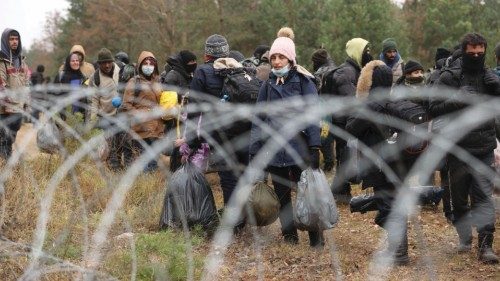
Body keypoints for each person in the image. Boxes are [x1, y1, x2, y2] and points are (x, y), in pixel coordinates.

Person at [249, 29, 324, 248]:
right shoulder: (268, 85)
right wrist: (255, 149)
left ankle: (315, 238)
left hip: (299, 148)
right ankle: (290, 237)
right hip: (274, 151)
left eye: (281, 57)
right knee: (282, 196)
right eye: (273, 57)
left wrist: (315, 146)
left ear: (290, 58)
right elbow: (258, 119)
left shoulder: (304, 82)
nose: (277, 61)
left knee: (307, 195)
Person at [430, 33, 499, 264]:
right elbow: (433, 108)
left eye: (481, 52)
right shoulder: (450, 77)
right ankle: (464, 236)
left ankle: (485, 246)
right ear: (464, 50)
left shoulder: (489, 76)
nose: (477, 56)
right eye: (473, 52)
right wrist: (456, 99)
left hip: (484, 147)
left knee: (484, 198)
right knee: (459, 200)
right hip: (457, 148)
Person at [346, 60, 409, 265]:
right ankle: (396, 249)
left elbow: (351, 128)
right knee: (392, 203)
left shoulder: (372, 105)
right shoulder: (395, 101)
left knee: (387, 206)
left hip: (380, 163)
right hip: (399, 161)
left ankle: (399, 253)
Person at [190, 34, 250, 233]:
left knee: (229, 177)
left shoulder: (203, 73)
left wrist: (193, 140)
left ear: (207, 53)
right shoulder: (241, 69)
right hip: (245, 131)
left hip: (219, 134)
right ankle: (245, 216)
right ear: (226, 51)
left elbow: (194, 109)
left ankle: (233, 222)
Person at [329, 37, 373, 203]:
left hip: (347, 121)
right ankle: (339, 192)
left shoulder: (354, 69)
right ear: (357, 51)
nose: (368, 54)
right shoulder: (346, 72)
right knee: (345, 156)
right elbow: (351, 98)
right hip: (343, 122)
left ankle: (341, 191)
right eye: (365, 51)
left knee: (345, 156)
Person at [122, 51, 165, 172]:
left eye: (151, 64)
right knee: (144, 161)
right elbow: (126, 104)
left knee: (153, 161)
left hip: (156, 128)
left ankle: (149, 186)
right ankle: (143, 186)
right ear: (140, 65)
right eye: (145, 63)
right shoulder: (134, 82)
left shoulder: (157, 82)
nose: (148, 66)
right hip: (141, 129)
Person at [160, 50, 197, 172]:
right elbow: (167, 107)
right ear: (183, 63)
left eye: (195, 61)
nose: (193, 64)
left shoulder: (190, 75)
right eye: (191, 62)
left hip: (189, 121)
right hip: (175, 124)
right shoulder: (172, 76)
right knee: (177, 154)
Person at [88, 48, 123, 171]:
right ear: (99, 64)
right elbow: (93, 101)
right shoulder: (95, 78)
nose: (107, 65)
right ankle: (114, 168)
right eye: (104, 63)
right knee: (110, 144)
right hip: (106, 116)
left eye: (109, 62)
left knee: (122, 141)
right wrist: (92, 121)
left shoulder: (120, 71)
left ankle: (122, 164)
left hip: (122, 114)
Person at [0, 28, 30, 159]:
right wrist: (9, 105)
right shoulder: (2, 61)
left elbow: (27, 84)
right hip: (4, 110)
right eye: (11, 39)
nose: (14, 42)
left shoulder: (22, 61)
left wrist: (26, 104)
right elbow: (2, 86)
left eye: (16, 39)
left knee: (10, 139)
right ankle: (4, 167)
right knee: (3, 140)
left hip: (18, 108)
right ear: (6, 41)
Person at [311, 48, 336, 171]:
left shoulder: (320, 73)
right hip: (336, 108)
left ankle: (328, 162)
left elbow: (315, 92)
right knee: (328, 135)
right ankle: (330, 160)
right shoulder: (335, 68)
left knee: (324, 135)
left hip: (323, 110)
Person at [53, 52, 87, 122]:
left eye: (77, 60)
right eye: (73, 61)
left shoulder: (83, 77)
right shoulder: (61, 76)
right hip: (64, 117)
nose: (75, 62)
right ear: (68, 62)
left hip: (80, 117)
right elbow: (53, 95)